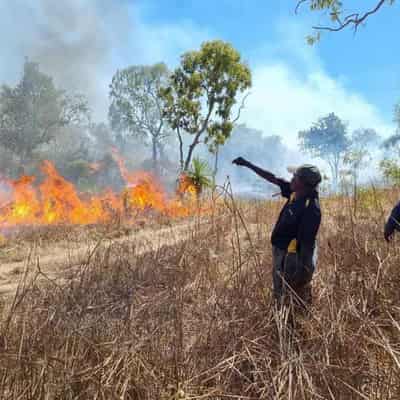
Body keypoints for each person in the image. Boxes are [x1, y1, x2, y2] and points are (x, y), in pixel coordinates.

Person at [232, 157, 322, 307]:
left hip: (291, 259)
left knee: (289, 293)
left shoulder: (311, 209)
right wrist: (248, 164)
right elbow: (272, 178)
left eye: (296, 177)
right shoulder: (295, 193)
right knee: (279, 290)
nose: (291, 179)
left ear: (305, 184)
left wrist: (301, 273)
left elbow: (307, 246)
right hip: (281, 254)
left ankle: (289, 321)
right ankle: (281, 312)